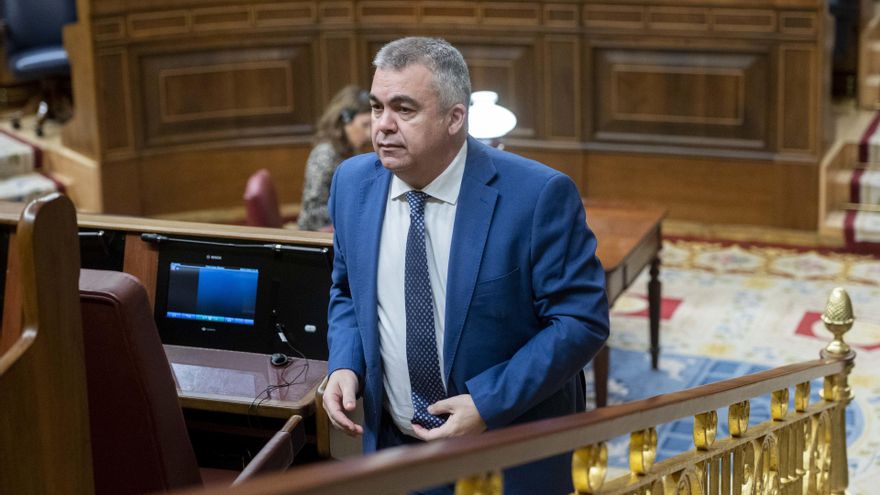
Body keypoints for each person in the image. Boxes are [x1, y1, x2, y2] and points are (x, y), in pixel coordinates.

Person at [323, 37, 609, 495]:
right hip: (392, 451)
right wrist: (345, 364)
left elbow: (581, 320)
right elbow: (346, 293)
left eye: (405, 109)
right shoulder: (352, 183)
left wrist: (487, 404)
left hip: (505, 452)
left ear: (455, 117)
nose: (383, 127)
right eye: (377, 108)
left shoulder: (537, 196)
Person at [297, 85, 371, 231]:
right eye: (365, 125)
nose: (369, 134)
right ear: (344, 120)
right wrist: (358, 208)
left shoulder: (350, 149)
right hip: (316, 239)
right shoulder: (325, 154)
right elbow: (313, 213)